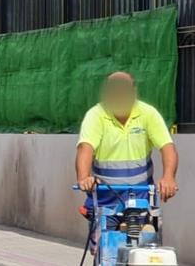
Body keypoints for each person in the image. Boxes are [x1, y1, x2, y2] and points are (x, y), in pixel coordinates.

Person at [75, 71, 179, 227]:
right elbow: (85, 148)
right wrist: (84, 178)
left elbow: (167, 147)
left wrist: (169, 177)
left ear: (134, 92)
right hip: (106, 199)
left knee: (145, 242)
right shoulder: (96, 115)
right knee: (106, 243)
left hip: (140, 197)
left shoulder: (148, 114)